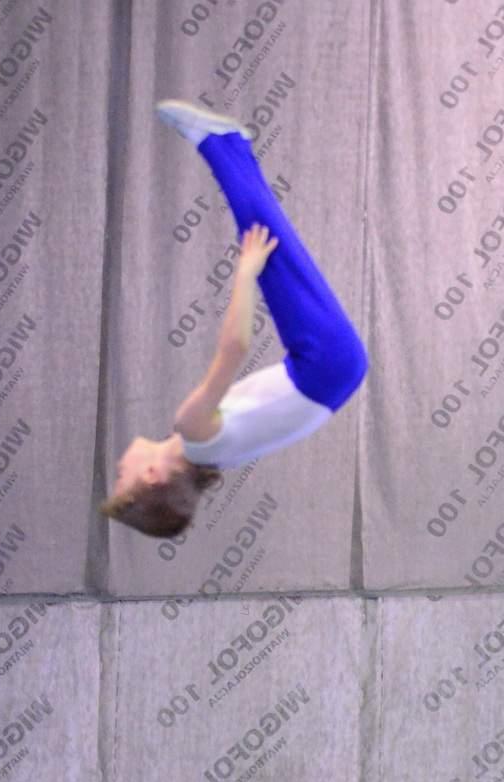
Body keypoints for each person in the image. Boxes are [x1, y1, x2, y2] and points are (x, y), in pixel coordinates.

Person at [102, 101, 367, 538]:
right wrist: (245, 275)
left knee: (271, 238)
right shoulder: (192, 431)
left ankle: (230, 146)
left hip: (330, 378)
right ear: (151, 475)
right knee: (264, 240)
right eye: (121, 477)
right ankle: (220, 143)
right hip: (323, 366)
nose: (118, 467)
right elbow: (233, 350)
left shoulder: (212, 454)